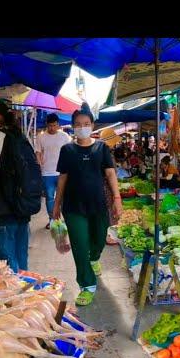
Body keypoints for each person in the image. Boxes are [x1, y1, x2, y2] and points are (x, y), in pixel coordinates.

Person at [53, 103, 122, 306]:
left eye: (85, 123)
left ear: (92, 125)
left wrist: (117, 199)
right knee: (79, 245)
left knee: (99, 239)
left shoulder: (102, 148)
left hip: (98, 204)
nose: (82, 127)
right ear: (73, 127)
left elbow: (110, 174)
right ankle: (87, 284)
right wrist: (56, 204)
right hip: (73, 207)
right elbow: (62, 178)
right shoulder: (67, 150)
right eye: (78, 124)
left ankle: (95, 258)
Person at [0, 101, 42, 273]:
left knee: (7, 262)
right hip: (23, 207)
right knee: (21, 258)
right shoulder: (22, 136)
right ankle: (25, 295)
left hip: (4, 208)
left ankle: (14, 297)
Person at [34, 113, 71, 230]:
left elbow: (71, 152)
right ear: (46, 125)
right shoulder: (41, 137)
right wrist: (39, 164)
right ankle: (52, 220)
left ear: (58, 125)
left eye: (54, 125)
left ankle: (67, 219)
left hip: (62, 173)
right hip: (47, 173)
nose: (52, 128)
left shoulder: (65, 136)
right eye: (50, 126)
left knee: (65, 198)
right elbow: (38, 153)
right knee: (50, 198)